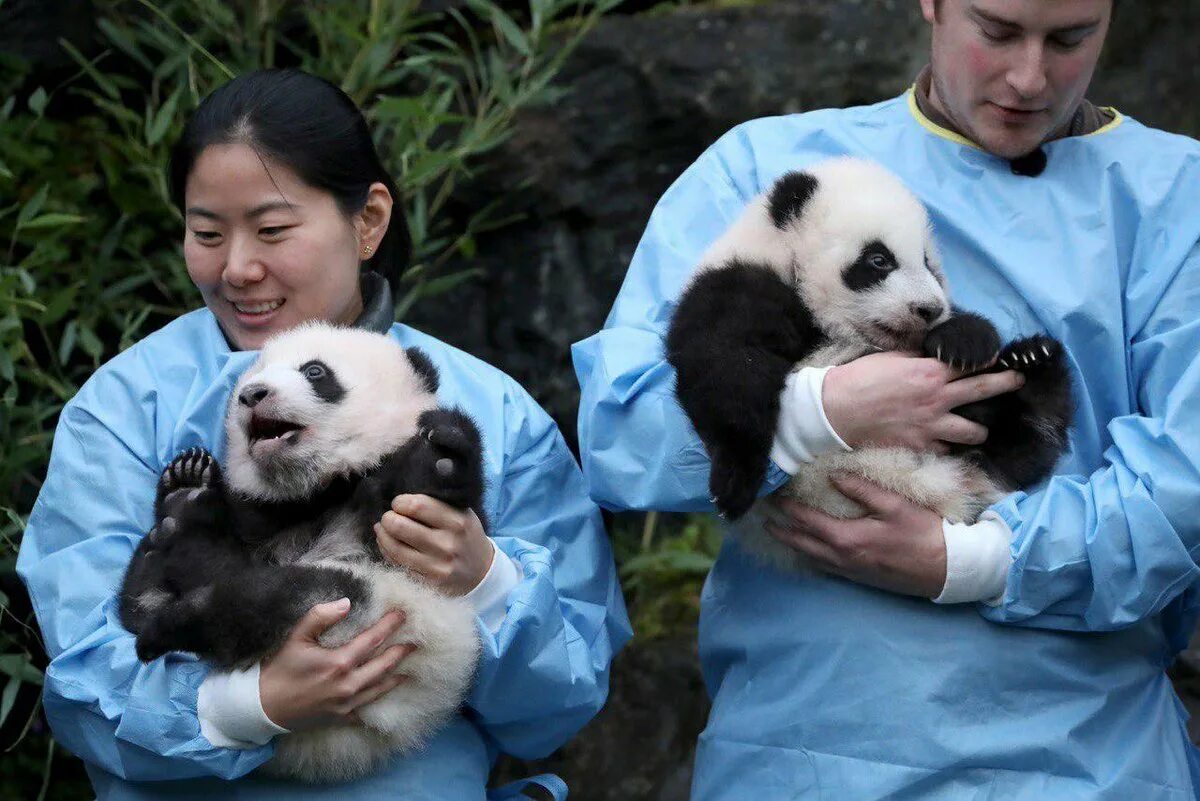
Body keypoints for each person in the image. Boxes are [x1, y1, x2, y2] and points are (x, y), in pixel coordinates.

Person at [573, 0, 1200, 798]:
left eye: (1071, 39)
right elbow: (621, 437)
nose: (1029, 76)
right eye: (998, 31)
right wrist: (817, 411)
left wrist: (973, 559)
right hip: (807, 751)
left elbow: (1186, 483)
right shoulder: (768, 168)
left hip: (1084, 761)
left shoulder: (1178, 200)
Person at [17, 68, 631, 801]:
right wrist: (250, 705)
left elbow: (560, 698)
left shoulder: (492, 411)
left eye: (273, 229)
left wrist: (486, 578)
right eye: (206, 233)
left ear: (368, 221)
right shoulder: (125, 405)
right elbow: (86, 671)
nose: (238, 267)